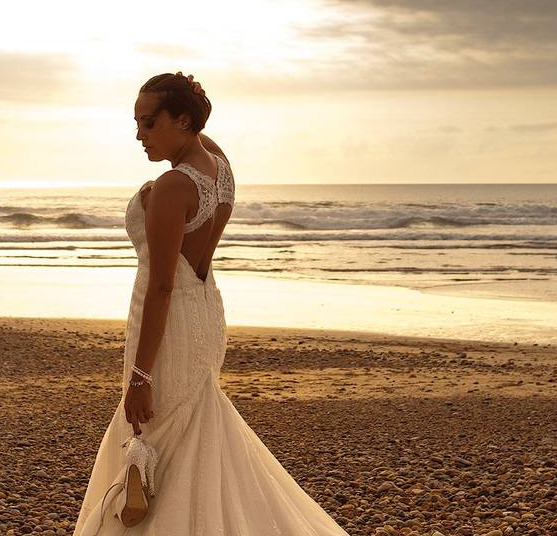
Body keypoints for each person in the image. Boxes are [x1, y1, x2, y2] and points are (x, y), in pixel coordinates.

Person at [72, 72, 351, 535]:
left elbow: (161, 287)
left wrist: (140, 376)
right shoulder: (220, 166)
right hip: (204, 310)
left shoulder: (173, 186)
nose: (138, 134)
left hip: (170, 321)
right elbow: (202, 142)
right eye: (137, 122)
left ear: (182, 120)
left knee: (153, 434)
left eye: (149, 122)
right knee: (193, 431)